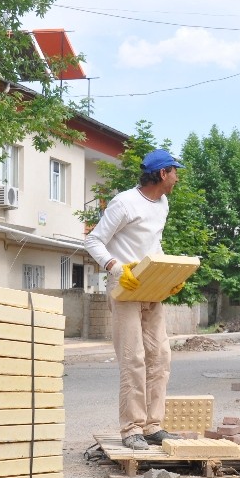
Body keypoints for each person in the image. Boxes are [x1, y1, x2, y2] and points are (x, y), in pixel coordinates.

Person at [84, 148, 185, 450]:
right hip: (125, 283)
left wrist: (170, 276)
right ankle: (131, 429)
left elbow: (154, 243)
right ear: (162, 173)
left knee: (160, 356)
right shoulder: (124, 202)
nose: (177, 178)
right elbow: (93, 240)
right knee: (134, 358)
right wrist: (115, 266)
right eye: (174, 172)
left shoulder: (163, 203)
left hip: (151, 284)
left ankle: (153, 426)